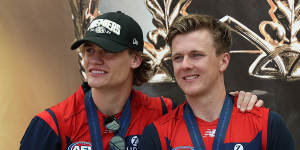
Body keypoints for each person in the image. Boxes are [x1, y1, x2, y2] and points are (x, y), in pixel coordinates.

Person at [19, 11, 263, 150]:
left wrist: (239, 101)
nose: (95, 60)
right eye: (89, 50)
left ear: (135, 59)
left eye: (108, 51)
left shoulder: (163, 111)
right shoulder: (52, 125)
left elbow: (210, 109)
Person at [140, 14, 295, 150]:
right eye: (178, 57)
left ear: (223, 61)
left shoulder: (267, 125)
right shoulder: (157, 134)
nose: (185, 65)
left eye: (196, 55)